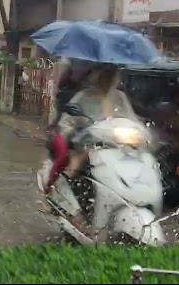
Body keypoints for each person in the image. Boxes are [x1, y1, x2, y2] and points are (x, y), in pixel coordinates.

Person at [44, 64, 139, 229]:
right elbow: (67, 121)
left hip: (116, 148)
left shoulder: (120, 98)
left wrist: (141, 131)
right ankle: (77, 208)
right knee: (75, 167)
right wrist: (77, 131)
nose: (109, 79)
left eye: (113, 75)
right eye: (106, 75)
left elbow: (132, 119)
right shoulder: (85, 96)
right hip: (87, 144)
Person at [43, 58, 93, 193]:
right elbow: (62, 108)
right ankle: (50, 182)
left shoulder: (106, 93)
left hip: (92, 130)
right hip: (68, 126)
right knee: (63, 154)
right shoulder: (68, 89)